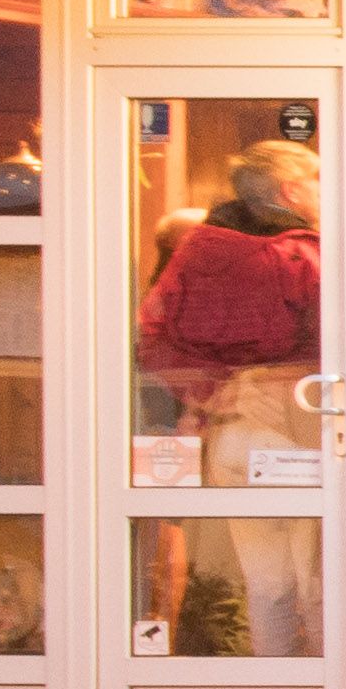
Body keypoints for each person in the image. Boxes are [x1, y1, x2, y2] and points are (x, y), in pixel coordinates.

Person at [140, 135, 324, 454]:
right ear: (291, 190)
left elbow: (150, 334)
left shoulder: (194, 250)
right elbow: (333, 344)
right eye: (316, 180)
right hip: (291, 423)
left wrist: (211, 391)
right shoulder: (304, 257)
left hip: (210, 426)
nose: (324, 190)